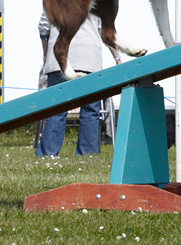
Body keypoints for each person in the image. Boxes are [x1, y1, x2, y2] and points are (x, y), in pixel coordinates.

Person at [35, 12, 122, 157]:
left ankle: (47, 154)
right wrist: (117, 57)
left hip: (59, 60)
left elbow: (44, 26)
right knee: (90, 110)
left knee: (56, 110)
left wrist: (45, 55)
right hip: (89, 60)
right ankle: (87, 154)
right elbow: (106, 31)